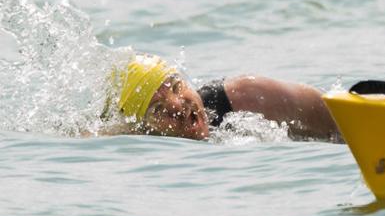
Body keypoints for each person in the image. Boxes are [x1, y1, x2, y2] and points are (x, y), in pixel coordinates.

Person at [108, 53, 343, 142]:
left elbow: (340, 120)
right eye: (158, 109)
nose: (178, 106)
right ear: (143, 128)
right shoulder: (141, 141)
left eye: (177, 87)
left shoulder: (247, 97)